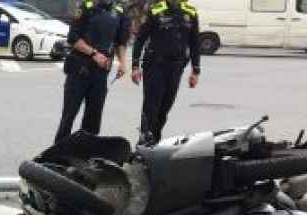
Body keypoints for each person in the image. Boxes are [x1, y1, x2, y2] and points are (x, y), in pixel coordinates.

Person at [53, 0, 130, 143]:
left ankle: (85, 153)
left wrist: (123, 63)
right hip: (79, 71)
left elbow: (121, 41)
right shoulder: (86, 7)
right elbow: (73, 38)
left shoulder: (119, 11)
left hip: (100, 75)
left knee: (93, 120)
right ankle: (57, 155)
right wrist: (94, 54)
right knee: (68, 116)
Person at [130, 0, 200, 146]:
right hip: (155, 66)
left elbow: (194, 43)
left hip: (176, 68)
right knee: (151, 107)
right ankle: (145, 141)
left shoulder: (190, 13)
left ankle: (155, 140)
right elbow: (140, 40)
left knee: (165, 107)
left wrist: (196, 70)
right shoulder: (156, 11)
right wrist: (135, 66)